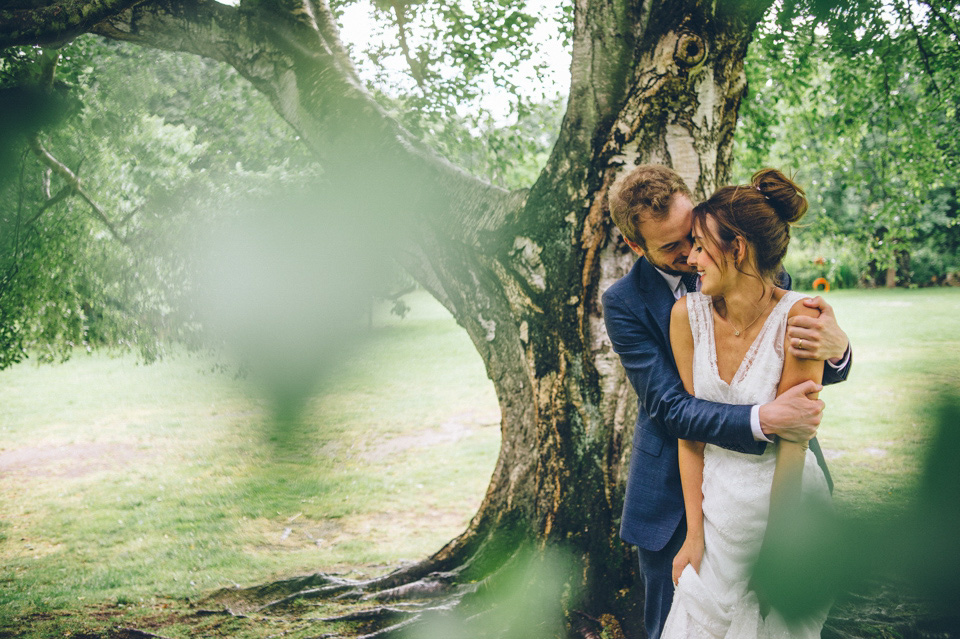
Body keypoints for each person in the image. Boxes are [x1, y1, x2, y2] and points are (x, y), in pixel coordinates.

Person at [601, 165, 851, 639]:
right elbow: (670, 409)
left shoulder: (755, 263)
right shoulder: (625, 303)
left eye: (692, 235)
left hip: (777, 485)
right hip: (675, 495)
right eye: (672, 246)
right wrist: (764, 420)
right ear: (637, 247)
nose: (689, 254)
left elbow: (791, 360)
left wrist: (838, 349)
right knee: (674, 624)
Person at [660, 169, 834, 638]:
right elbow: (690, 431)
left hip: (783, 509)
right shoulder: (686, 317)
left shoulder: (800, 316)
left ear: (737, 249)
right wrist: (694, 536)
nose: (691, 258)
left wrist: (780, 554)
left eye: (699, 245)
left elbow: (794, 446)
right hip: (717, 518)